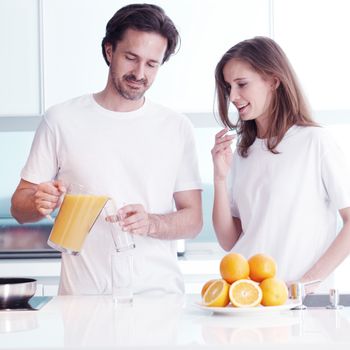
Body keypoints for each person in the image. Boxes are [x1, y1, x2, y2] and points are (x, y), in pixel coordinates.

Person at [11, 3, 202, 295]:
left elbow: (193, 220)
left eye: (152, 64)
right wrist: (39, 201)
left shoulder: (176, 127)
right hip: (83, 300)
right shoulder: (61, 120)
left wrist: (151, 223)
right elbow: (19, 207)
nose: (140, 73)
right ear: (109, 50)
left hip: (157, 299)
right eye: (131, 58)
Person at [211, 36, 350, 292]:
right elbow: (229, 240)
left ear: (273, 80)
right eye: (228, 87)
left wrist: (305, 285)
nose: (233, 96)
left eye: (241, 84)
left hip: (303, 305)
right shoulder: (242, 153)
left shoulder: (315, 142)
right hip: (249, 299)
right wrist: (219, 178)